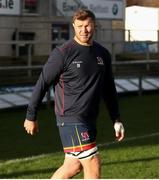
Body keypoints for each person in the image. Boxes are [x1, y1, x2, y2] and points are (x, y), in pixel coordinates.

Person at [24, 9, 125, 179]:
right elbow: (42, 83)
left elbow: (109, 89)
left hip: (90, 119)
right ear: (73, 26)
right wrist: (30, 116)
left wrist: (116, 119)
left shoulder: (103, 54)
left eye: (87, 26)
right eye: (79, 26)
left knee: (72, 166)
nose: (83, 30)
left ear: (94, 26)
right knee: (92, 161)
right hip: (71, 118)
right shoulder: (63, 53)